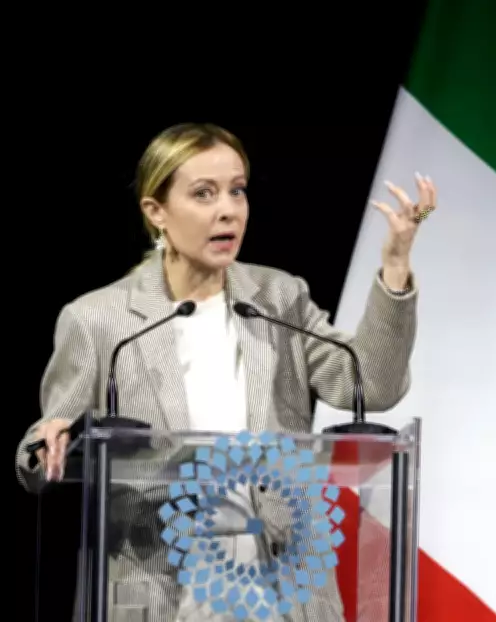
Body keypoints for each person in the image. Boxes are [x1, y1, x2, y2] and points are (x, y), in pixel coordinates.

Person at [15, 123, 436, 621]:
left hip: (282, 590)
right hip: (162, 591)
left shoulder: (279, 299)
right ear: (156, 211)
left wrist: (395, 265)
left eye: (237, 190)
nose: (229, 210)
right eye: (203, 193)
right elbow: (42, 448)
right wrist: (50, 441)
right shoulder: (98, 320)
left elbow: (374, 385)